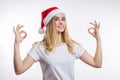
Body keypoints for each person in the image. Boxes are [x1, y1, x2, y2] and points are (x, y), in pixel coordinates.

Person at [13, 7, 102, 80]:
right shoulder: (39, 48)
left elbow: (97, 63)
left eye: (63, 19)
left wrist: (98, 39)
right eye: (56, 19)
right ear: (50, 23)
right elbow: (19, 70)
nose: (61, 22)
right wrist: (16, 44)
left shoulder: (72, 46)